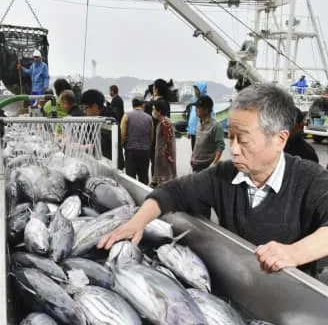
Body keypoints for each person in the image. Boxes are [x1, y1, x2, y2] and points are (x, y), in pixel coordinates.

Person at [98, 83, 328, 276]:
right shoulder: (224, 175)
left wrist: (295, 253)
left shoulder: (310, 179)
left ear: (280, 139)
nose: (234, 149)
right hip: (239, 286)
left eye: (244, 140)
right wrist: (137, 222)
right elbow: (173, 192)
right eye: (231, 137)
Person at [81, 89, 124, 170]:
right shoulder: (96, 119)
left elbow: (104, 146)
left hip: (112, 166)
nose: (84, 112)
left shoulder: (108, 121)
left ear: (94, 106)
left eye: (85, 108)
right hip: (103, 164)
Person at [121, 97, 152, 185]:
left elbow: (122, 134)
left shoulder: (126, 116)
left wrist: (123, 145)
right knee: (143, 177)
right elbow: (151, 136)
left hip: (131, 150)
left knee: (130, 177)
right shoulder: (149, 118)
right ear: (142, 105)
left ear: (132, 105)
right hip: (145, 151)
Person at [191, 95, 225, 172]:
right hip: (195, 165)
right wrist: (192, 157)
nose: (195, 110)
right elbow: (197, 145)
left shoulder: (216, 126)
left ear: (206, 110)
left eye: (198, 108)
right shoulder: (199, 125)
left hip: (207, 167)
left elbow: (220, 146)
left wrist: (214, 163)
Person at [144, 78, 171, 176]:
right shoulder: (166, 103)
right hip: (164, 135)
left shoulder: (152, 104)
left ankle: (155, 184)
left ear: (156, 89)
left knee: (154, 162)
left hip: (153, 136)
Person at [151, 99, 176, 187]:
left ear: (159, 111)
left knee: (165, 183)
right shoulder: (161, 122)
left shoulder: (166, 123)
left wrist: (169, 155)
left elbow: (168, 142)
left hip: (165, 158)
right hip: (160, 156)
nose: (153, 111)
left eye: (154, 109)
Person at [186, 81, 207, 150]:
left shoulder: (206, 101)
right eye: (194, 89)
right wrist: (189, 130)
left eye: (197, 89)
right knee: (194, 151)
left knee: (201, 152)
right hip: (193, 133)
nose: (195, 91)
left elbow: (210, 117)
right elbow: (192, 117)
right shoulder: (194, 101)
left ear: (201, 90)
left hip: (202, 133)